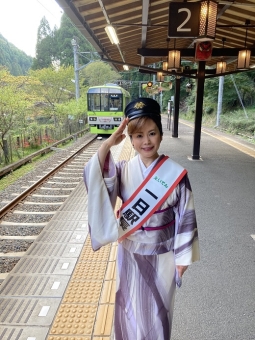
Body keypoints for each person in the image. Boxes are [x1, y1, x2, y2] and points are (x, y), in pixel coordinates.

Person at [83, 97, 200, 340]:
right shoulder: (123, 169)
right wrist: (108, 145)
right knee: (129, 311)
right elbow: (98, 187)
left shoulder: (176, 175)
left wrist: (182, 259)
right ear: (130, 138)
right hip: (129, 254)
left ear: (160, 133)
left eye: (152, 133)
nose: (146, 141)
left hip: (163, 257)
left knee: (158, 316)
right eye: (138, 135)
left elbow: (186, 217)